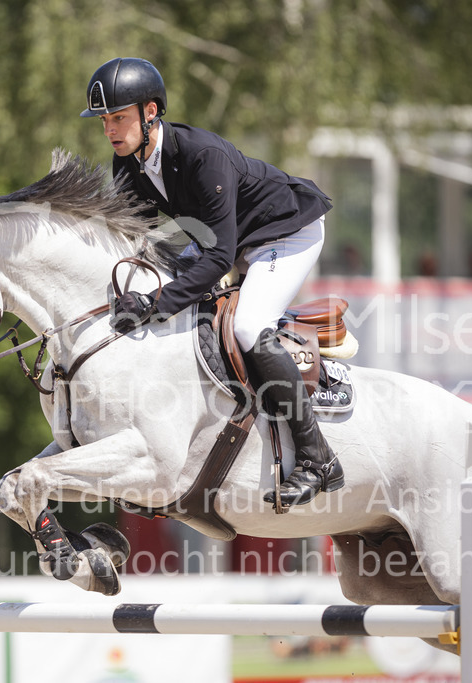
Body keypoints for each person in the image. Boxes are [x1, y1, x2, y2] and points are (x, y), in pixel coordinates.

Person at [80, 57, 343, 507]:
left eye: (118, 118)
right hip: (229, 239)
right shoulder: (127, 164)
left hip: (284, 232)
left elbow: (219, 257)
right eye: (104, 121)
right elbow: (137, 244)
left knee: (248, 326)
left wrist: (155, 302)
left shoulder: (203, 156)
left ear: (150, 112)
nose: (109, 130)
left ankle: (317, 457)